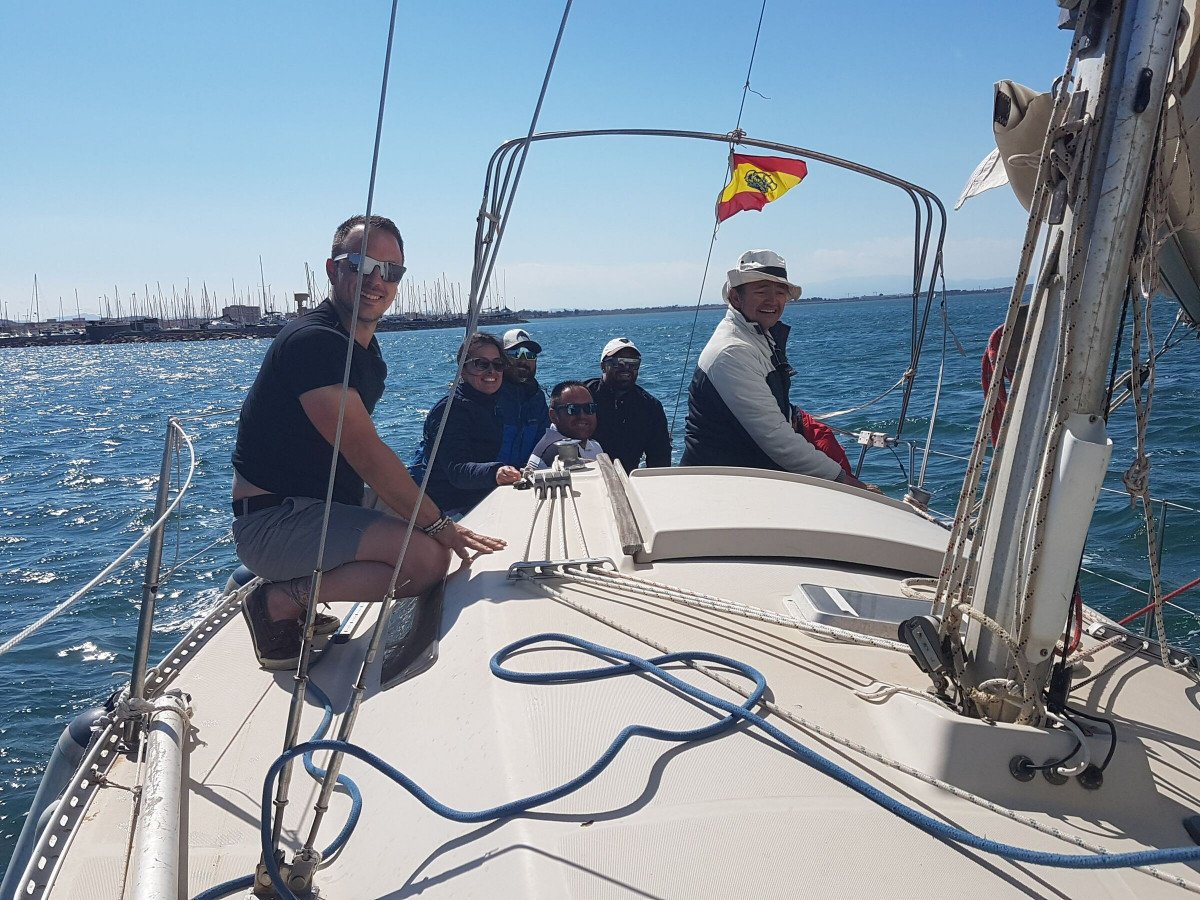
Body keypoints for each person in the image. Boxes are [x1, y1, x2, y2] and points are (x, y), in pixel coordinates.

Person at [231, 214, 505, 669]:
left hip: (322, 505)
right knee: (426, 561)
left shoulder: (362, 349)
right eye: (361, 263)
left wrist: (428, 516)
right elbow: (364, 452)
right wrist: (437, 524)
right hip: (274, 520)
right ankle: (278, 601)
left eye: (391, 270)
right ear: (333, 269)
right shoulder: (314, 343)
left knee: (431, 528)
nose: (378, 280)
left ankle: (302, 593)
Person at [680, 248, 876, 491]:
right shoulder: (732, 351)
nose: (772, 301)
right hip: (720, 487)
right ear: (735, 298)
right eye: (761, 292)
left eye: (780, 292)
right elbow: (775, 437)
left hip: (748, 479)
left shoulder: (758, 337)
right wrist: (845, 482)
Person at [409, 332, 525, 515]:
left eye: (498, 364)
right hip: (446, 511)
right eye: (481, 364)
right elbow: (457, 471)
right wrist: (495, 472)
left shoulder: (489, 404)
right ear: (462, 370)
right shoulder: (450, 410)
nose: (491, 371)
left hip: (479, 501)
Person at [585, 337, 672, 472]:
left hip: (628, 481)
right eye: (618, 363)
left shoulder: (650, 406)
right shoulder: (583, 396)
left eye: (633, 363)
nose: (626, 368)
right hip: (587, 477)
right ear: (603, 366)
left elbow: (660, 459)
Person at [495, 328, 550, 464]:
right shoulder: (490, 394)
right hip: (490, 478)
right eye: (516, 353)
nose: (523, 360)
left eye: (530, 355)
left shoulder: (538, 399)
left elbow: (543, 445)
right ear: (502, 359)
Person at [526, 381, 605, 468]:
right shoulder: (554, 452)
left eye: (589, 408)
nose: (582, 415)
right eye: (572, 409)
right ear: (553, 415)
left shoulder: (595, 446)